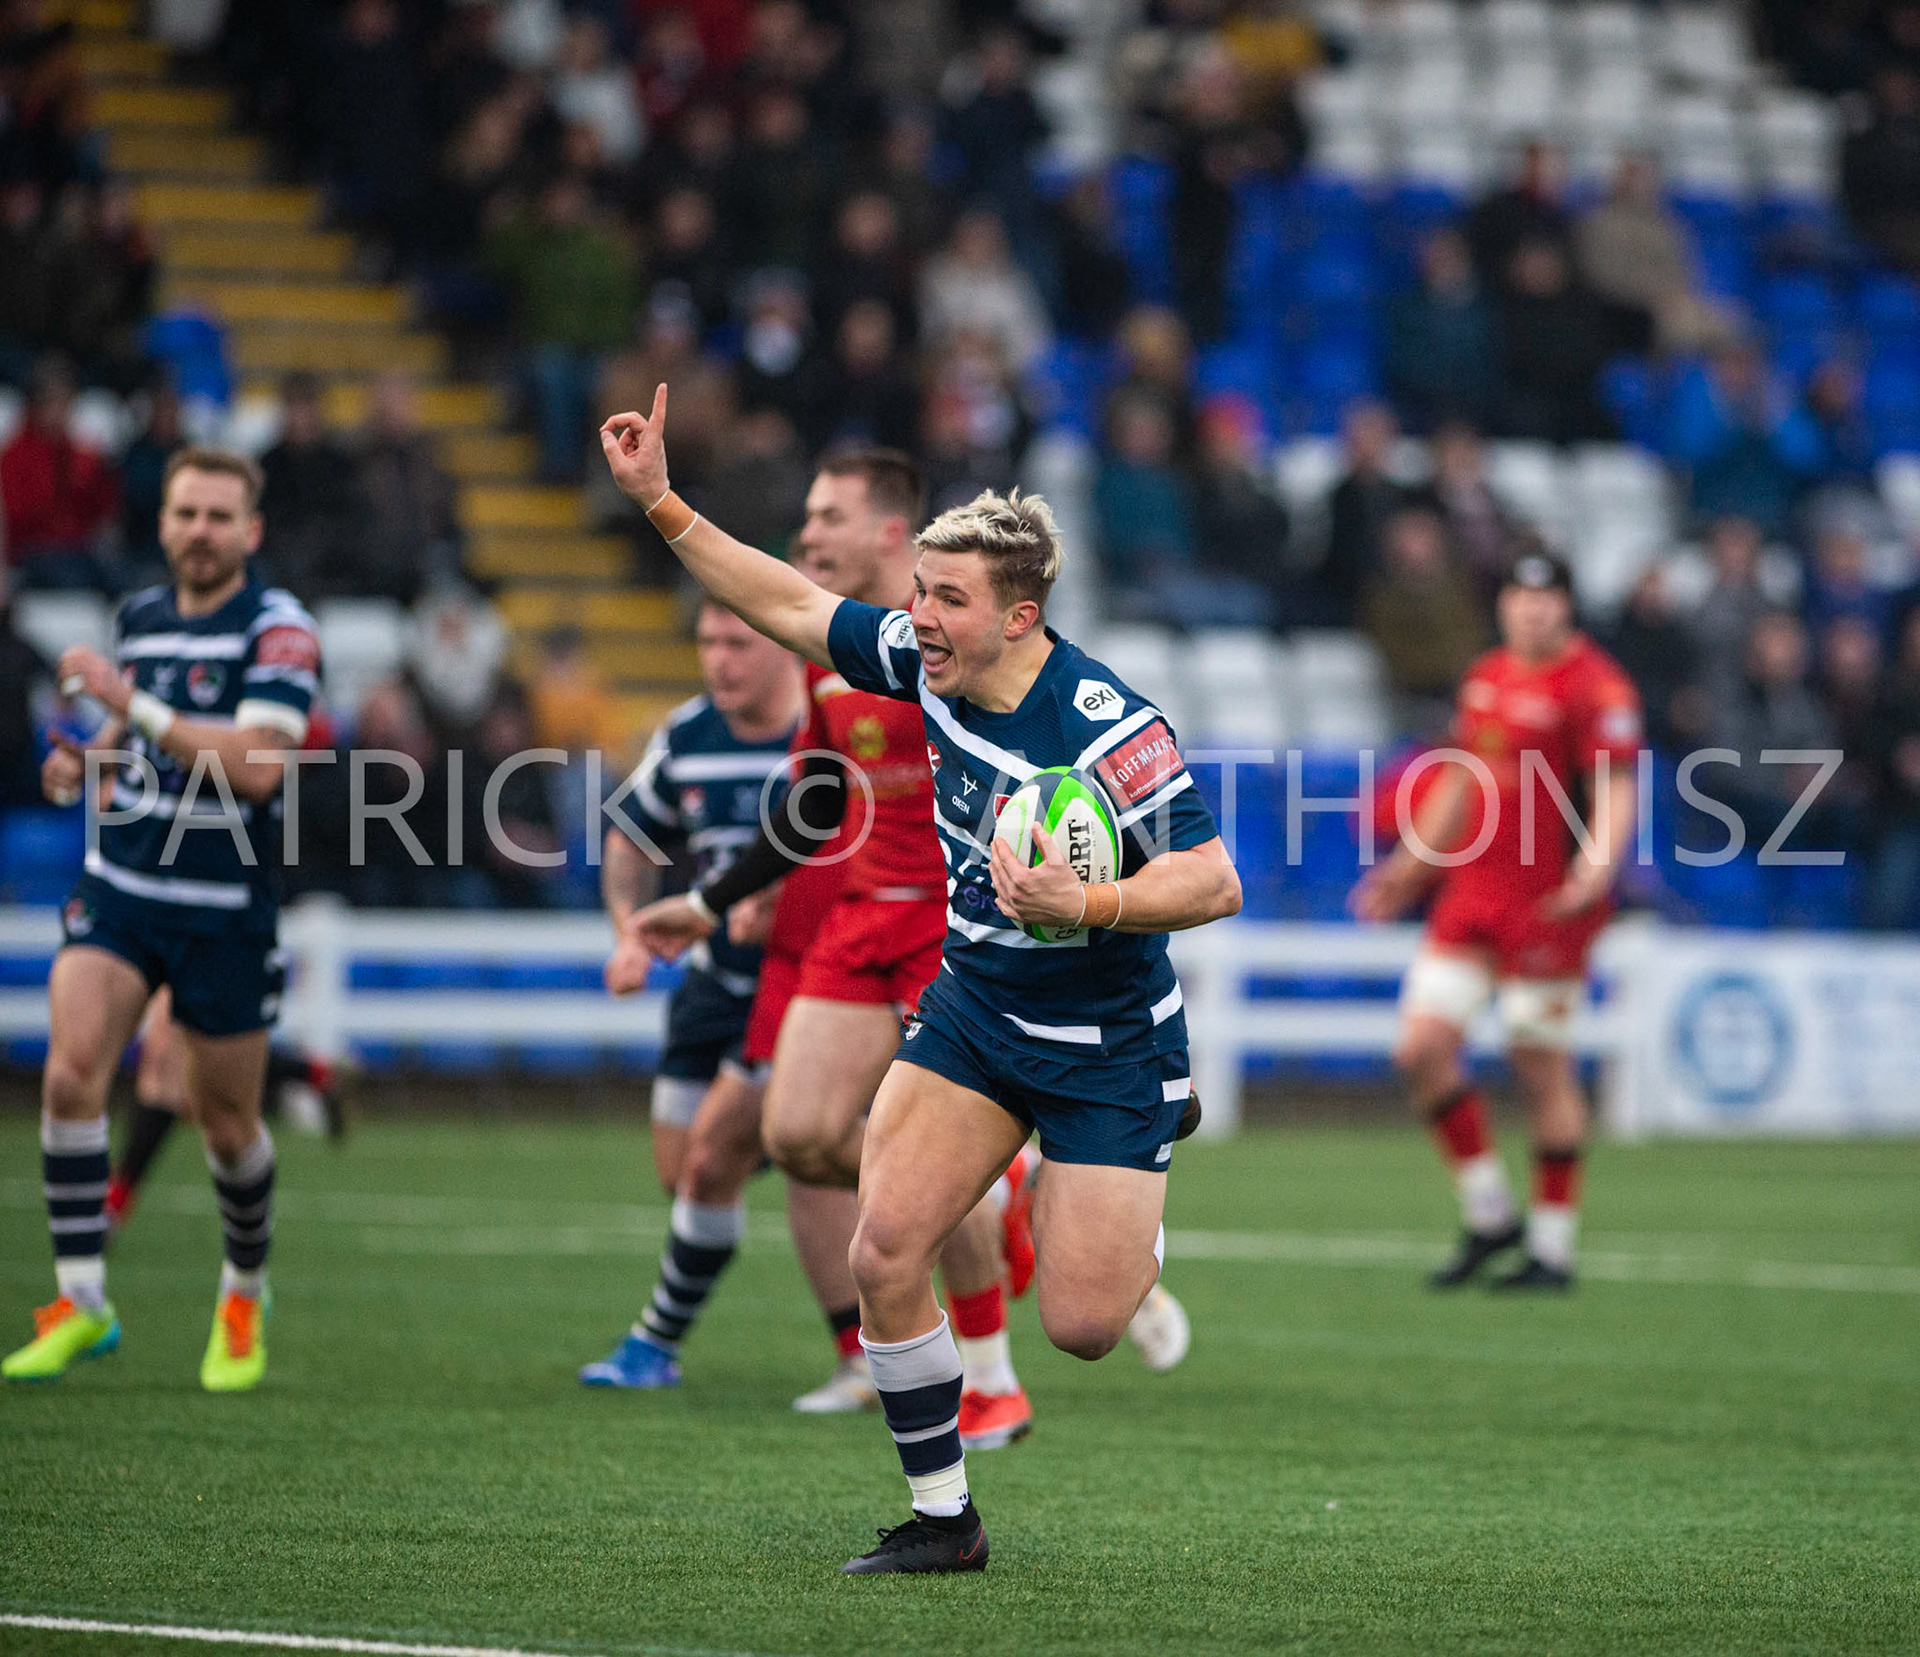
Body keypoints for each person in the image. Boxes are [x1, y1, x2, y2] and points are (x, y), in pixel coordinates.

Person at [601, 392, 1240, 1574]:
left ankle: (1143, 1154)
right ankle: (945, 1518)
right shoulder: (920, 663)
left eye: (947, 599)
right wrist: (659, 502)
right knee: (884, 1247)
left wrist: (1085, 902)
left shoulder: (1107, 725)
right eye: (920, 593)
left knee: (1087, 1326)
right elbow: (789, 602)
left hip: (1106, 1039)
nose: (920, 618)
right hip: (974, 1013)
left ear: (1020, 615)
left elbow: (1212, 880)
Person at [631, 450, 1094, 1450]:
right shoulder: (841, 648)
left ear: (892, 529)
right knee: (795, 1133)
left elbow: (1066, 785)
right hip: (861, 917)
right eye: (806, 516)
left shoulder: (982, 645)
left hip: (956, 924)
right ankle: (996, 1192)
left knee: (925, 1160)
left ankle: (992, 1381)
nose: (809, 535)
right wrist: (711, 900)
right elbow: (817, 794)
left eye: (827, 516)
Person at [3, 448, 321, 1390]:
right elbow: (126, 736)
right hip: (124, 885)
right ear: (164, 521)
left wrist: (125, 701)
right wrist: (84, 763)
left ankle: (243, 1288)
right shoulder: (139, 618)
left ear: (251, 531)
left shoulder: (279, 630)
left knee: (225, 1123)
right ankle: (83, 1301)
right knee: (69, 1075)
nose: (199, 530)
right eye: (186, 512)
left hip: (224, 906)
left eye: (220, 516)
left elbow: (259, 765)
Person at [580, 599, 864, 1400]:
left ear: (782, 645)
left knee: (721, 1159)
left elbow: (872, 856)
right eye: (707, 642)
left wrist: (792, 896)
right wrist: (627, 935)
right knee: (689, 1174)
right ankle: (983, 1189)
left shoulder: (826, 730)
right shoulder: (687, 734)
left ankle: (657, 1342)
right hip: (713, 985)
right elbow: (629, 839)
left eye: (738, 642)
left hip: (808, 986)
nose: (719, 660)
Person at [1351, 552, 1642, 1293]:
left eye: (1547, 599)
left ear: (1568, 607)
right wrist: (1410, 865)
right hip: (1471, 896)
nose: (1533, 611)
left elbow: (1614, 790)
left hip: (1549, 905)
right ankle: (1489, 1216)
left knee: (1537, 1063)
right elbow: (1458, 779)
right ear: (1505, 604)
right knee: (1420, 1050)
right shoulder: (1486, 676)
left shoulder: (1597, 686)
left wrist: (1594, 872)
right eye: (1520, 596)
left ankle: (1552, 1247)